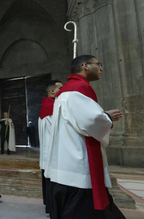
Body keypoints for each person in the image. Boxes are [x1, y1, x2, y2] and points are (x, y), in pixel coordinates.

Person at [45, 55, 125, 219]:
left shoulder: (67, 91)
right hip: (79, 164)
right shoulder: (78, 89)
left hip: (67, 161)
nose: (101, 68)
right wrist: (107, 117)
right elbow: (90, 121)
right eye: (98, 64)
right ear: (85, 66)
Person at [38, 80, 62, 215]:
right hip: (53, 151)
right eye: (60, 88)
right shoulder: (52, 106)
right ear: (52, 91)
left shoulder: (47, 104)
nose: (63, 90)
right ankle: (53, 209)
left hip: (48, 151)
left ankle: (50, 206)